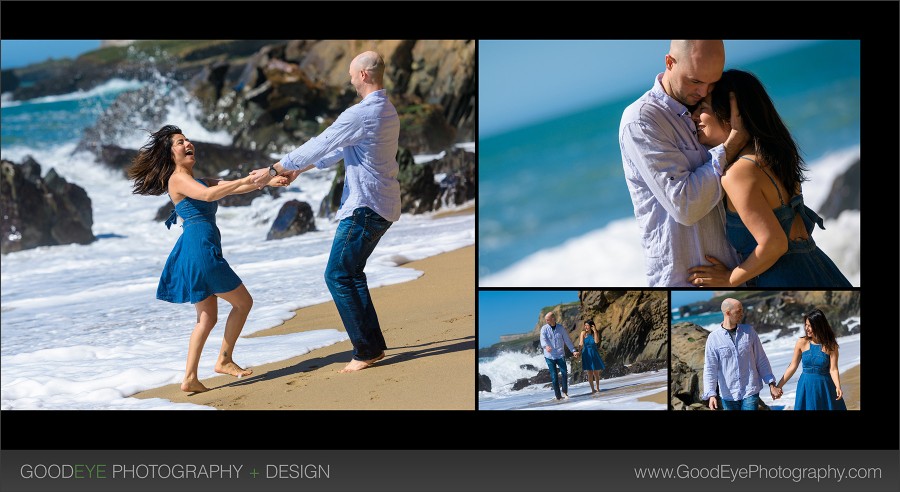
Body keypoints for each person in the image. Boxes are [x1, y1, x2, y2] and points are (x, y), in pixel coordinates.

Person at [248, 51, 401, 373]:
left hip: (365, 206)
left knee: (338, 275)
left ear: (362, 75)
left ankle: (365, 350)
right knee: (351, 273)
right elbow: (340, 149)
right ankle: (372, 346)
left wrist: (273, 168)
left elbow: (321, 142)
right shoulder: (386, 110)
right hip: (383, 205)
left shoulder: (359, 114)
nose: (348, 79)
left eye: (350, 73)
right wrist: (299, 170)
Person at [128, 124, 288, 393]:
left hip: (196, 250)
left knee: (207, 319)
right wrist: (246, 180)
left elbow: (233, 188)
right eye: (180, 142)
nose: (187, 143)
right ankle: (224, 360)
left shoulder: (199, 179)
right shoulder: (177, 179)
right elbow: (208, 195)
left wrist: (267, 180)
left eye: (188, 140)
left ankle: (189, 377)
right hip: (200, 250)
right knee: (243, 303)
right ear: (170, 154)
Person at [686, 69, 852, 288]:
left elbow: (774, 244)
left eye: (703, 107)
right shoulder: (778, 156)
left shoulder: (738, 174)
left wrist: (729, 278)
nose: (694, 116)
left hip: (787, 280)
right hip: (823, 269)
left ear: (732, 112)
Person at [620, 40, 748, 287]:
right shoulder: (642, 121)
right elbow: (684, 206)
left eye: (712, 82)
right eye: (695, 81)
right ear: (669, 62)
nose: (703, 92)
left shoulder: (710, 103)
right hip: (685, 281)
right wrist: (730, 145)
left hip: (737, 272)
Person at [702, 298, 782, 410]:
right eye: (738, 311)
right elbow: (710, 368)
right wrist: (711, 394)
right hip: (728, 394)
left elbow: (761, 359)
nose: (742, 314)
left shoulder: (749, 332)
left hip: (750, 389)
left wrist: (771, 384)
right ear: (728, 313)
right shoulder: (713, 338)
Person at [774, 309, 847, 410]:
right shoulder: (801, 342)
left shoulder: (831, 345)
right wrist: (779, 386)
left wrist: (838, 386)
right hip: (806, 386)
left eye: (810, 326)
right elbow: (793, 366)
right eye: (806, 325)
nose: (807, 328)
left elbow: (833, 369)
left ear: (819, 326)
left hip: (824, 387)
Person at [539, 312, 580, 400]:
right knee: (554, 376)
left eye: (548, 319)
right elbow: (542, 339)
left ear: (553, 319)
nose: (546, 321)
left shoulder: (561, 328)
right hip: (549, 356)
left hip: (560, 354)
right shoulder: (544, 329)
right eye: (546, 319)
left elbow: (567, 340)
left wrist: (573, 351)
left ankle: (565, 392)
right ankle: (558, 396)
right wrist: (546, 346)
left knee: (564, 373)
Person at [578, 320, 606, 394]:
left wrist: (595, 331)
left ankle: (597, 388)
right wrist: (578, 352)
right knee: (589, 372)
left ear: (591, 326)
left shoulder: (594, 333)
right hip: (586, 353)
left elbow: (596, 342)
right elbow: (581, 343)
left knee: (596, 372)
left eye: (587, 325)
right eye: (585, 325)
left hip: (593, 353)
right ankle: (592, 389)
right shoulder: (583, 333)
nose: (586, 327)